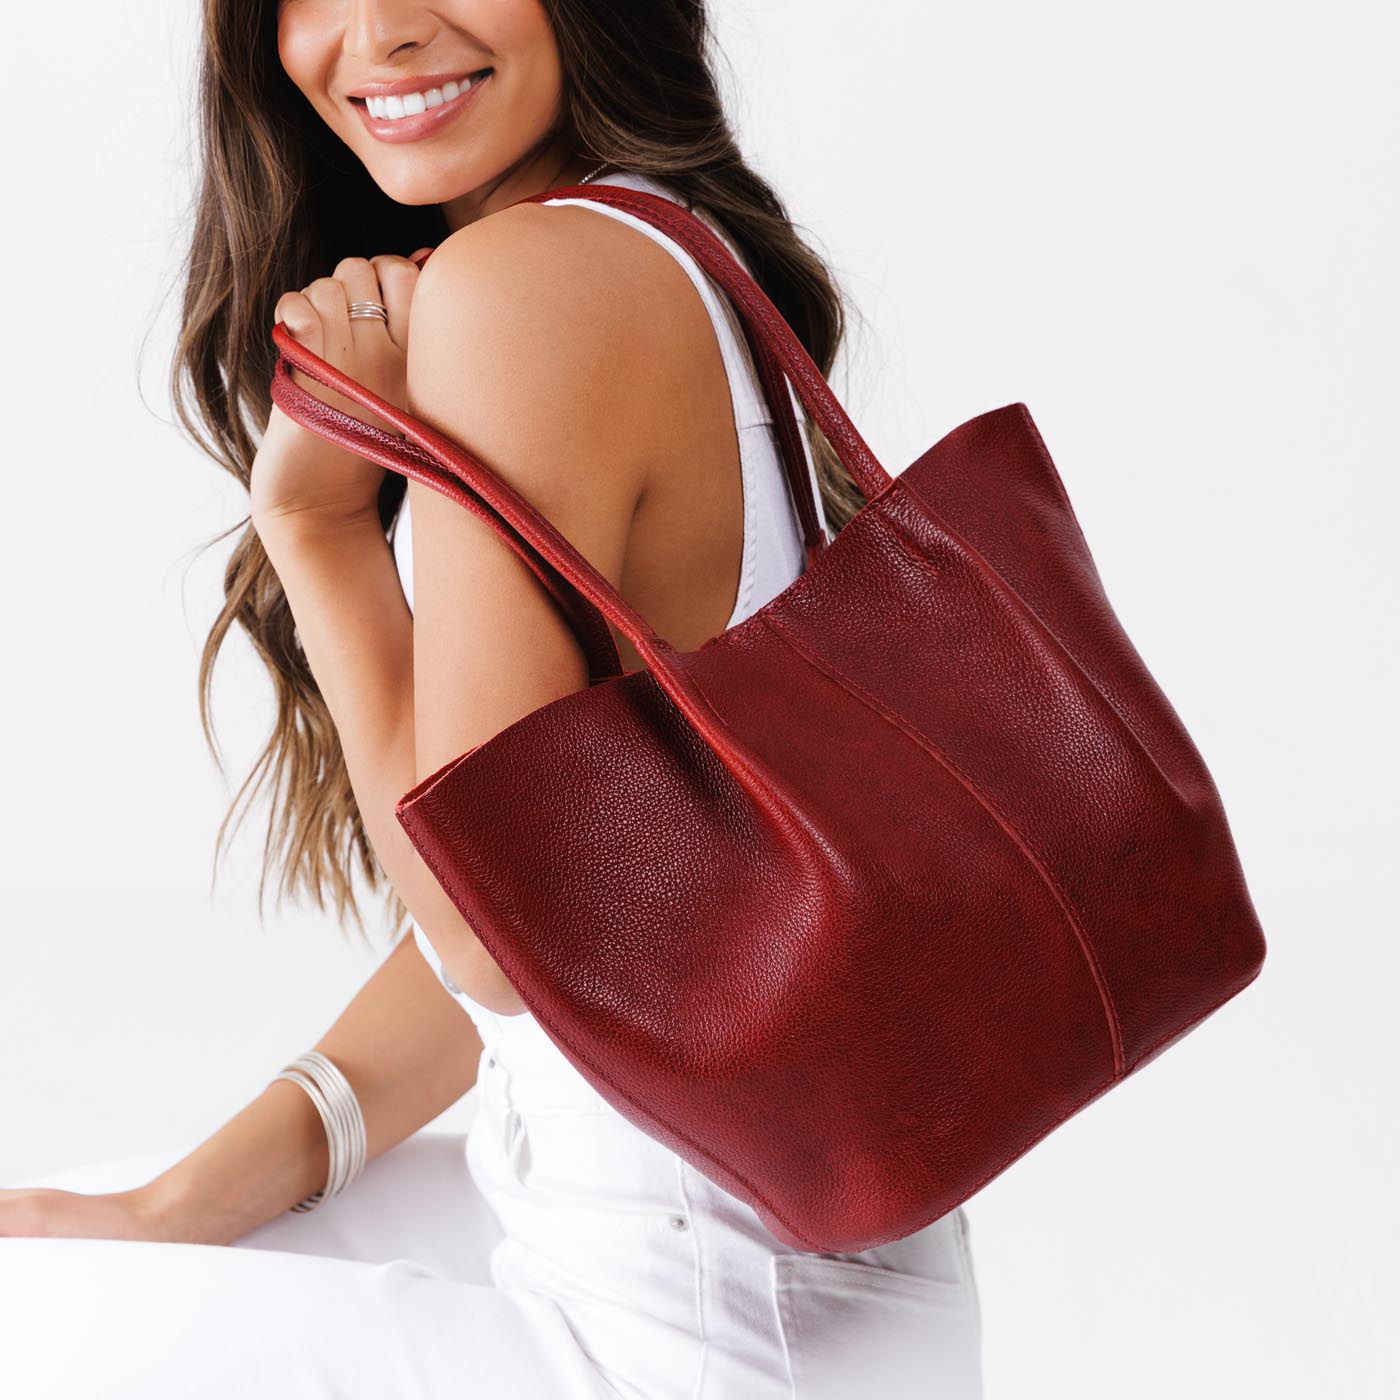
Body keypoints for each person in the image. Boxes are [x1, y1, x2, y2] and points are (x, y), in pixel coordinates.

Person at [0, 2, 984, 1395]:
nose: (382, 32)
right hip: (801, 1292)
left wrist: (319, 529)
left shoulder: (521, 285)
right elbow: (579, 930)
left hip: (675, 1335)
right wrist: (171, 1210)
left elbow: (488, 937)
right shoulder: (657, 239)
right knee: (97, 1230)